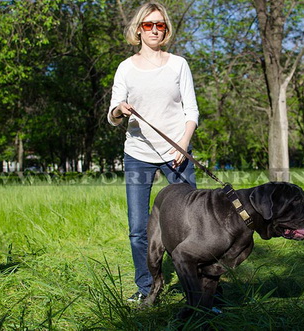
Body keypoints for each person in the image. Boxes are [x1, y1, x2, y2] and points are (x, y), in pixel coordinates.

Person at [107, 2, 199, 302]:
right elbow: (113, 112)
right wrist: (120, 109)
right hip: (137, 154)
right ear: (138, 29)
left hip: (176, 152)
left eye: (160, 24)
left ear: (167, 29)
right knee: (137, 228)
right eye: (148, 25)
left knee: (191, 223)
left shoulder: (178, 64)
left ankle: (197, 290)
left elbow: (192, 111)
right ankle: (146, 288)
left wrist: (183, 145)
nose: (155, 30)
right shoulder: (126, 68)